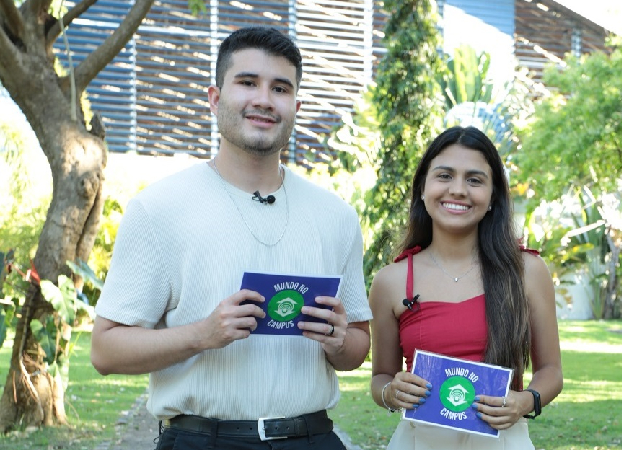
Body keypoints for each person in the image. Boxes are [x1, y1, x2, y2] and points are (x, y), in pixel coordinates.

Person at [91, 27, 372, 450]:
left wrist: (338, 341)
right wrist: (201, 334)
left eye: (279, 88)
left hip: (312, 439)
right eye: (247, 83)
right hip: (202, 440)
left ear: (295, 106)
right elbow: (105, 350)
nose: (263, 99)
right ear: (215, 98)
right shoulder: (159, 208)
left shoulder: (336, 216)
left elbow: (357, 348)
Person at [368, 126, 563, 449]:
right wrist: (391, 392)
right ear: (422, 188)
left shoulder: (527, 271)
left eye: (474, 180)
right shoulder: (390, 281)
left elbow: (551, 371)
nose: (458, 190)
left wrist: (525, 401)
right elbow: (380, 379)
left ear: (492, 197)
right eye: (444, 176)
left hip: (502, 442)